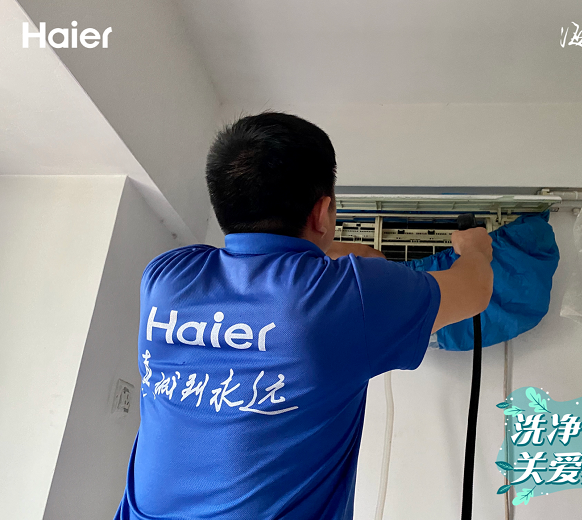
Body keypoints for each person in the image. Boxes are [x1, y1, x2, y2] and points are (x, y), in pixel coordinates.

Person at [114, 112, 493, 520]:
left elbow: (275, 266)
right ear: (322, 212)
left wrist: (349, 258)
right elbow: (475, 290)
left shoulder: (166, 277)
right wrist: (475, 249)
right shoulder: (348, 300)